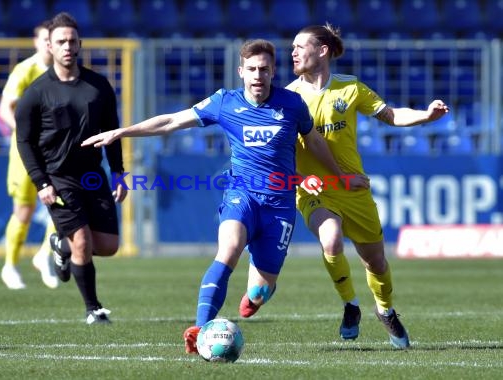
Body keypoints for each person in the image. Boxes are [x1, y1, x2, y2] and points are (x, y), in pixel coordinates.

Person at [82, 39, 364, 353]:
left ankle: (257, 294)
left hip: (280, 205)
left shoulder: (293, 104)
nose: (258, 75)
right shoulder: (225, 102)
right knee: (228, 249)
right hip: (241, 194)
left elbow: (313, 142)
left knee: (259, 291)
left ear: (273, 72)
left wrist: (339, 177)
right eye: (253, 69)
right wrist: (121, 132)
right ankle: (200, 330)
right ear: (241, 71)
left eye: (265, 70)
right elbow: (172, 121)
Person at [287, 23, 449, 349]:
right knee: (330, 240)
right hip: (314, 189)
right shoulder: (289, 97)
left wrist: (425, 117)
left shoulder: (351, 88)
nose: (293, 52)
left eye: (300, 46)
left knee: (376, 263)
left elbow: (391, 115)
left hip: (353, 188)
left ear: (322, 50)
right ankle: (350, 306)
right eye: (292, 47)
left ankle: (385, 310)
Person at [15, 12, 128, 324]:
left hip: (93, 175)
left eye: (72, 41)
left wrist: (118, 171)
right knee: (82, 241)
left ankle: (59, 245)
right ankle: (93, 309)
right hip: (58, 177)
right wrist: (41, 182)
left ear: (80, 44)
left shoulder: (99, 86)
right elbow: (24, 141)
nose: (67, 46)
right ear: (49, 46)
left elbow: (113, 132)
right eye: (60, 41)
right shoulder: (36, 92)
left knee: (107, 246)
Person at [0, 19, 59, 290]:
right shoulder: (25, 69)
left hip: (54, 150)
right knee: (23, 210)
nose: (49, 43)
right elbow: (5, 109)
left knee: (62, 205)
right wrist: (24, 134)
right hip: (26, 152)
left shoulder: (64, 73)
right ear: (37, 42)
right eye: (45, 38)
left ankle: (43, 256)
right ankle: (10, 266)